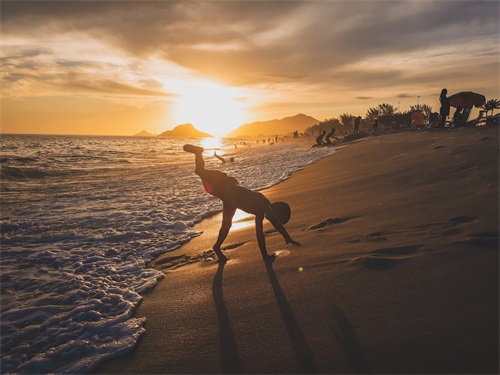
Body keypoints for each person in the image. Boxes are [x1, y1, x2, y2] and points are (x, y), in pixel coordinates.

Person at [183, 144, 301, 263]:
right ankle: (198, 152)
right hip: (225, 184)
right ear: (277, 206)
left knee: (226, 226)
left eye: (279, 219)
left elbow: (259, 234)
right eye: (278, 216)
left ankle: (217, 247)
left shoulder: (260, 213)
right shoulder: (263, 201)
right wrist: (287, 237)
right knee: (200, 171)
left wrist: (265, 255)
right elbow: (274, 220)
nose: (275, 219)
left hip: (229, 200)